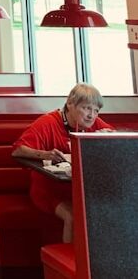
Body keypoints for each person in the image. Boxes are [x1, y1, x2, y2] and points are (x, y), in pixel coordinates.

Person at [11, 83, 113, 243]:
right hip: (49, 189)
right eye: (86, 108)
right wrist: (46, 154)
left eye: (96, 110)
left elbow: (116, 137)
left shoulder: (94, 123)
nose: (91, 115)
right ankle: (67, 259)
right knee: (73, 216)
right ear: (70, 104)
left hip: (82, 190)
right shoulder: (48, 122)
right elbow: (18, 150)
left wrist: (108, 137)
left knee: (109, 211)